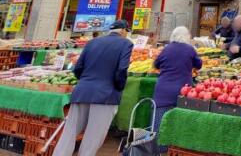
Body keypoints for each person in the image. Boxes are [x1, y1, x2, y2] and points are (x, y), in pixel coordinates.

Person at [53, 20, 133, 156]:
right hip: (105, 96)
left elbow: (77, 68)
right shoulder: (126, 44)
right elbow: (122, 70)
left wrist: (85, 82)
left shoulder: (92, 42)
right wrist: (118, 87)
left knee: (69, 132)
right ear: (124, 30)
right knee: (93, 137)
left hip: (82, 92)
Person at [151, 26, 202, 152]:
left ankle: (158, 151)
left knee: (160, 122)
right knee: (179, 121)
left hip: (163, 90)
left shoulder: (166, 49)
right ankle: (175, 150)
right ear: (187, 37)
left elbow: (156, 64)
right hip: (183, 90)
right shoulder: (190, 49)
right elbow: (199, 64)